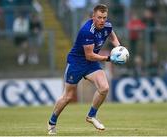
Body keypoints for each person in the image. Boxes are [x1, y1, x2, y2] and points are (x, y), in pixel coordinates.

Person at [47, 4, 123, 135]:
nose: (102, 21)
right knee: (68, 97)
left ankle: (91, 116)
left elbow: (112, 37)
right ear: (93, 17)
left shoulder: (107, 26)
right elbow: (90, 55)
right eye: (99, 17)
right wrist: (109, 58)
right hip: (77, 63)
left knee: (104, 88)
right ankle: (52, 122)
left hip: (91, 64)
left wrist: (120, 48)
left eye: (104, 17)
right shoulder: (87, 31)